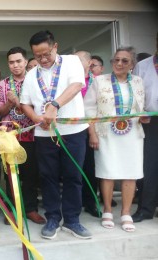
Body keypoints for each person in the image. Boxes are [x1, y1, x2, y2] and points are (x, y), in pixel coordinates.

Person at [20, 30, 91, 240]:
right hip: (44, 134)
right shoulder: (31, 74)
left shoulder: (71, 62)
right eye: (37, 55)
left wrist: (55, 105)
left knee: (73, 176)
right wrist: (34, 117)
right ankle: (52, 218)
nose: (42, 59)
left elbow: (77, 85)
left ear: (55, 47)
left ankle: (72, 220)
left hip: (73, 132)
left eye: (46, 54)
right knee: (48, 177)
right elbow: (25, 102)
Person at [84, 46, 146, 232]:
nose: (119, 64)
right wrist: (92, 133)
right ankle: (108, 210)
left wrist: (143, 116)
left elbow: (140, 107)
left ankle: (126, 213)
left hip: (132, 134)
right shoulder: (99, 81)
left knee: (130, 172)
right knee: (107, 171)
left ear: (132, 64)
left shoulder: (138, 81)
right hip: (106, 134)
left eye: (124, 61)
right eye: (116, 60)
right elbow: (89, 109)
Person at [0, 47, 45, 225]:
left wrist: (20, 103)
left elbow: (40, 108)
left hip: (32, 135)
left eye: (18, 61)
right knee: (11, 176)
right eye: (11, 62)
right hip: (10, 137)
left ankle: (31, 209)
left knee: (31, 175)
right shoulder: (2, 85)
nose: (15, 65)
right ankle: (12, 210)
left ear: (25, 62)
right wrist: (10, 102)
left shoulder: (36, 81)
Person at [132, 35, 158, 223]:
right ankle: (146, 208)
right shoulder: (144, 65)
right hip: (151, 121)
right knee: (149, 167)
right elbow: (136, 92)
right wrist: (139, 112)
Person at [74, 50, 99, 218]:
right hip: (72, 129)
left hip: (93, 129)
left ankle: (91, 202)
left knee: (90, 167)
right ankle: (75, 204)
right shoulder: (70, 81)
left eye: (78, 60)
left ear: (88, 63)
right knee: (74, 169)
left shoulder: (97, 82)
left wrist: (93, 132)